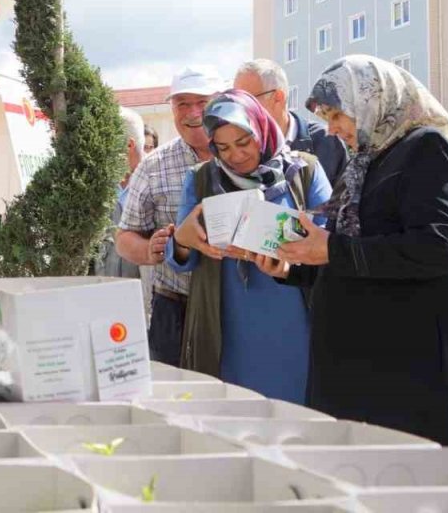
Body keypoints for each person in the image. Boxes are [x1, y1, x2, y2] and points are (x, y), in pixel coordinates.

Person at [261, 55, 448, 453]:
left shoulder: (426, 149)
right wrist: (293, 266)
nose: (332, 130)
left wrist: (331, 249)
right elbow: (356, 250)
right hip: (383, 355)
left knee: (425, 477)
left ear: (374, 101)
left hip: (423, 354)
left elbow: (439, 245)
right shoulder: (369, 159)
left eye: (338, 115)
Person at [165, 90, 330, 402]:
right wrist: (182, 241)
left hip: (293, 319)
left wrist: (288, 264)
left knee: (298, 418)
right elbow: (180, 259)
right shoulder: (201, 179)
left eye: (244, 142)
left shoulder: (305, 171)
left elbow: (328, 243)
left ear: (262, 130)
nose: (235, 156)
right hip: (227, 323)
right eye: (223, 148)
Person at [116, 67, 228, 364]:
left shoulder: (244, 154)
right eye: (182, 104)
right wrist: (148, 249)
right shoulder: (153, 166)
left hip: (236, 307)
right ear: (172, 109)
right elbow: (124, 236)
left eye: (202, 102)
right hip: (175, 310)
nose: (193, 113)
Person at [234, 58, 346, 186]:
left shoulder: (327, 141)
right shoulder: (239, 150)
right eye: (236, 102)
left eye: (248, 101)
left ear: (278, 97)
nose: (241, 110)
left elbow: (346, 201)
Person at [94, 107, 145, 284]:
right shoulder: (98, 187)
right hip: (104, 295)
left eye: (105, 143)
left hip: (145, 300)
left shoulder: (155, 183)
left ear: (128, 145)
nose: (100, 151)